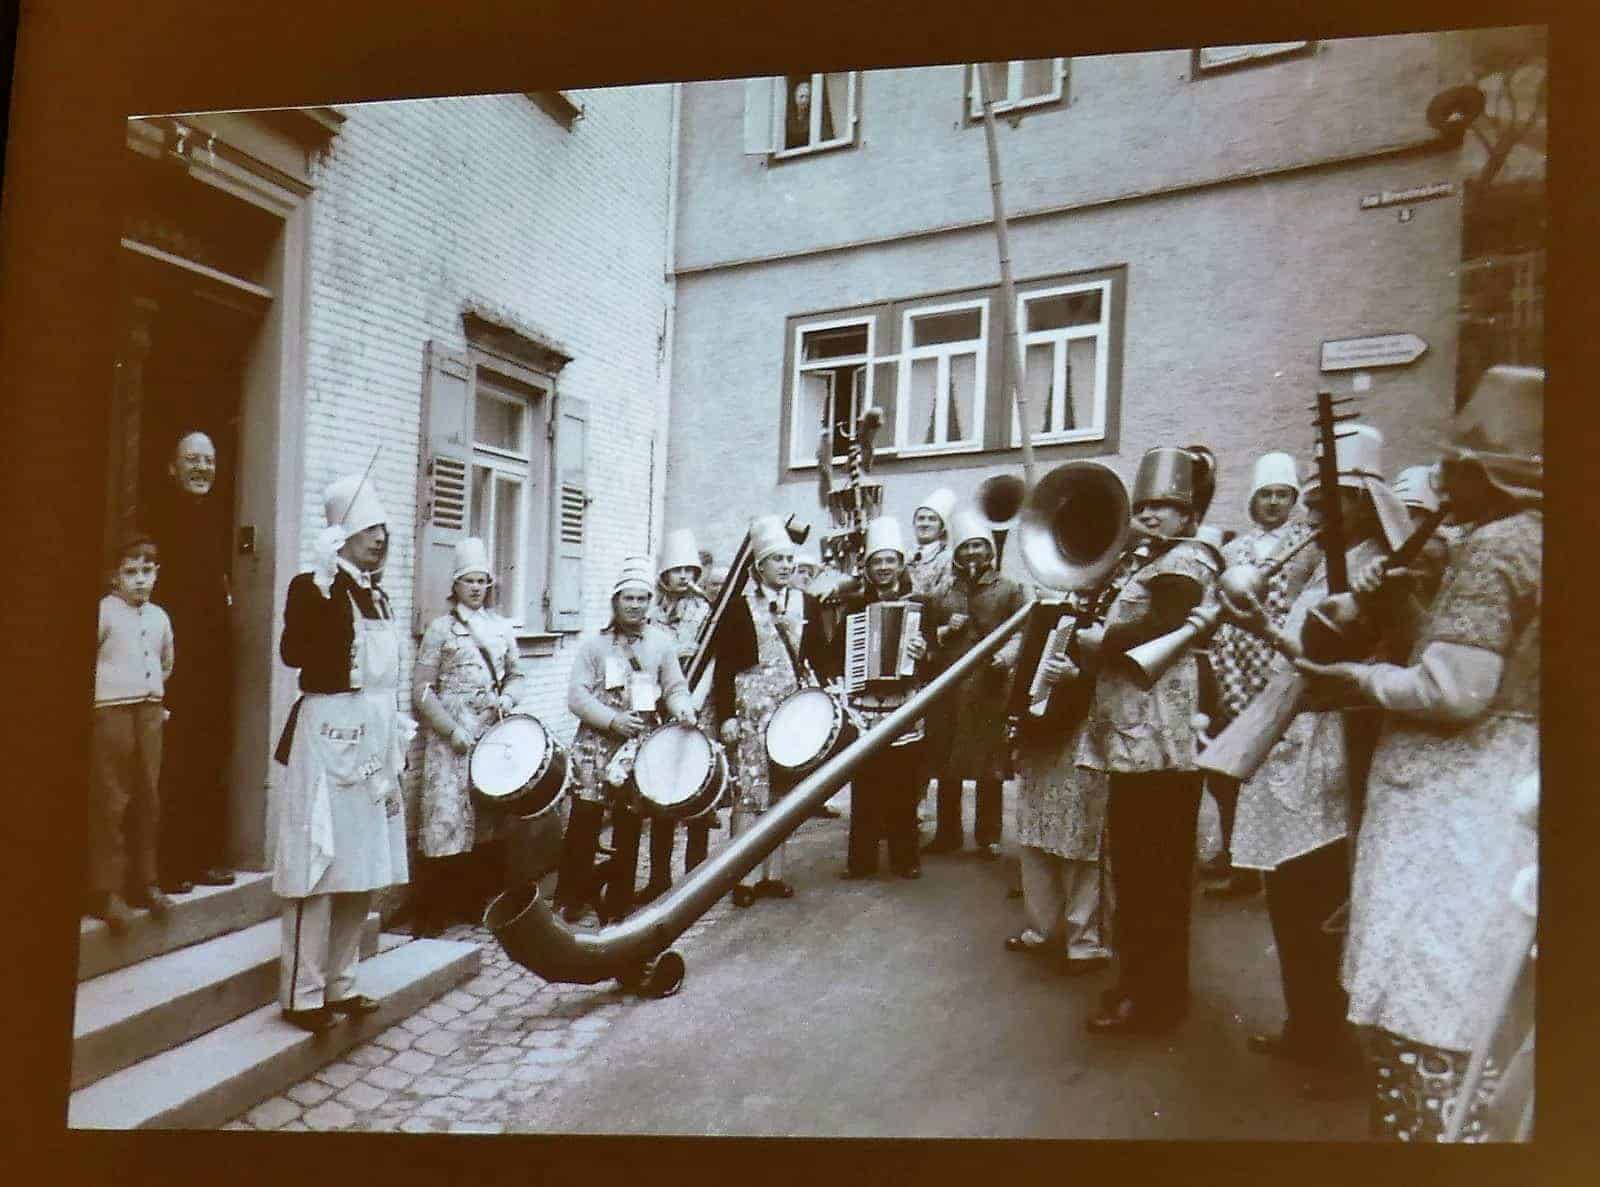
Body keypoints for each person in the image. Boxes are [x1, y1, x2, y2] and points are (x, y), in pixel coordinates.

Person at [1296, 365, 1542, 1141]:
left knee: (1424, 1002)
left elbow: (1455, 689)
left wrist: (1357, 677)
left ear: (1486, 473)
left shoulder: (1497, 546)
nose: (1440, 478)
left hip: (1453, 800)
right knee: (1473, 1003)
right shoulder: (1536, 538)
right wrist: (1403, 598)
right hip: (1506, 792)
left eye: (1454, 465)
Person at [1217, 426, 1398, 1094]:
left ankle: (1336, 1047)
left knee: (1323, 900)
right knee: (1289, 896)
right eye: (1316, 500)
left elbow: (1330, 668)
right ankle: (1306, 1027)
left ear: (1363, 501)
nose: (1316, 512)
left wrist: (1260, 627)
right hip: (1291, 738)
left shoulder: (1377, 566)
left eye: (1331, 500)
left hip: (1329, 743)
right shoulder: (1325, 562)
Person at [1077, 445, 1221, 1036]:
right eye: (1144, 507)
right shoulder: (1150, 559)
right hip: (1136, 742)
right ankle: (1141, 986)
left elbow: (1163, 625)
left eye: (1165, 506)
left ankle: (1153, 998)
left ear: (1189, 514)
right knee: (1137, 874)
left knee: (1152, 877)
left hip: (1161, 748)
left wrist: (1101, 642)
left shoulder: (1187, 560)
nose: (1150, 516)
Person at [272, 473, 411, 1033]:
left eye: (382, 529)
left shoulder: (377, 595)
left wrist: (393, 730)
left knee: (363, 863)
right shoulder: (312, 587)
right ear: (341, 533)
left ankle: (341, 983)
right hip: (328, 737)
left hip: (373, 739)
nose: (379, 538)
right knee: (318, 862)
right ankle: (302, 994)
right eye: (368, 528)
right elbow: (295, 653)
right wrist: (323, 586)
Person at [1203, 451, 1319, 899]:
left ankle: (1283, 857)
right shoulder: (1234, 551)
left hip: (1285, 658)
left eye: (1282, 495)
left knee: (1284, 765)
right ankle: (1237, 856)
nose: (1273, 503)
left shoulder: (1309, 544)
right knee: (1233, 763)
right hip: (1237, 662)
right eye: (1265, 495)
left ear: (1293, 499)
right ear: (1253, 500)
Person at [558, 557, 696, 925]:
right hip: (596, 746)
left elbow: (675, 687)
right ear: (615, 601)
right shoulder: (595, 646)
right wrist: (612, 720)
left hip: (637, 746)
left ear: (650, 602)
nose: (635, 605)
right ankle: (572, 896)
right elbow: (577, 696)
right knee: (585, 821)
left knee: (629, 822)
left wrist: (683, 708)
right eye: (628, 598)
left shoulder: (661, 644)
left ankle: (618, 899)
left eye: (641, 598)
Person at [711, 515, 837, 907]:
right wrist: (726, 716)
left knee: (783, 792)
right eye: (777, 560)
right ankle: (743, 877)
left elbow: (820, 656)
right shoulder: (738, 608)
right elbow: (724, 668)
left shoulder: (806, 604)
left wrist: (827, 692)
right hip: (751, 710)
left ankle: (773, 874)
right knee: (750, 793)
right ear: (759, 566)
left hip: (791, 708)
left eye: (789, 559)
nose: (785, 566)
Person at [410, 538, 530, 937]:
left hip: (490, 733)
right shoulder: (440, 630)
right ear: (456, 585)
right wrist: (450, 728)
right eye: (469, 581)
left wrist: (508, 699)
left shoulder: (500, 628)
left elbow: (517, 675)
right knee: (445, 817)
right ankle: (433, 911)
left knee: (486, 818)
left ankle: (475, 902)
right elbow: (422, 690)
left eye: (482, 581)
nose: (476, 588)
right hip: (451, 738)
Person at [150, 430, 236, 895]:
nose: (202, 468)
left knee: (206, 756)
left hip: (210, 660)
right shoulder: (160, 519)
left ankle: (201, 857)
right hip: (171, 658)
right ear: (172, 467)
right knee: (174, 760)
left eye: (209, 460)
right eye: (192, 459)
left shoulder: (215, 516)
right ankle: (168, 864)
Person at [922, 509, 1026, 860]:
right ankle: (947, 833)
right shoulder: (941, 592)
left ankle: (988, 835)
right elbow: (926, 637)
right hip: (949, 688)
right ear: (956, 552)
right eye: (965, 547)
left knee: (989, 766)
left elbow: (1022, 632)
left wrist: (1006, 658)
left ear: (989, 551)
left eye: (978, 546)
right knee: (946, 762)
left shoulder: (1010, 589)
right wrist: (943, 630)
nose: (972, 554)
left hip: (988, 687)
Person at [830, 517, 931, 880]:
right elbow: (835, 654)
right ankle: (861, 861)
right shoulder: (855, 608)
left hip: (904, 705)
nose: (884, 567)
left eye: (890, 560)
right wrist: (852, 667)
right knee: (866, 785)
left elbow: (935, 657)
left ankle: (906, 859)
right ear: (868, 568)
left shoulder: (921, 605)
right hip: (867, 708)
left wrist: (923, 651)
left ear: (901, 564)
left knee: (904, 783)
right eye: (877, 562)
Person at [1005, 639, 1113, 976]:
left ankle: (1085, 942)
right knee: (1034, 832)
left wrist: (1078, 676)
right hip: (1041, 735)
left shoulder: (1120, 615)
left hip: (1085, 736)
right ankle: (1040, 928)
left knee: (1079, 837)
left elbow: (1123, 674)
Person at [89, 533, 176, 934]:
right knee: (112, 799)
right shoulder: (104, 613)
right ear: (114, 576)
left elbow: (166, 662)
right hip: (111, 712)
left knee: (148, 796)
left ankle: (146, 881)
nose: (140, 579)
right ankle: (108, 890)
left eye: (147, 571)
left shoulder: (159, 617)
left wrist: (152, 696)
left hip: (149, 711)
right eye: (130, 572)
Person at [639, 529, 717, 904]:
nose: (684, 577)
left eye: (690, 570)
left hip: (698, 705)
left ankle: (695, 876)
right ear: (664, 574)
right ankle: (659, 878)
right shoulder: (651, 614)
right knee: (662, 792)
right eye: (677, 570)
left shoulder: (705, 611)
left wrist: (697, 701)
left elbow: (714, 658)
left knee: (696, 786)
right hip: (659, 705)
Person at [906, 487, 957, 596]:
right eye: (921, 518)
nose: (925, 524)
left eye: (932, 519)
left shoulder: (948, 559)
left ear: (942, 527)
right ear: (914, 523)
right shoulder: (904, 556)